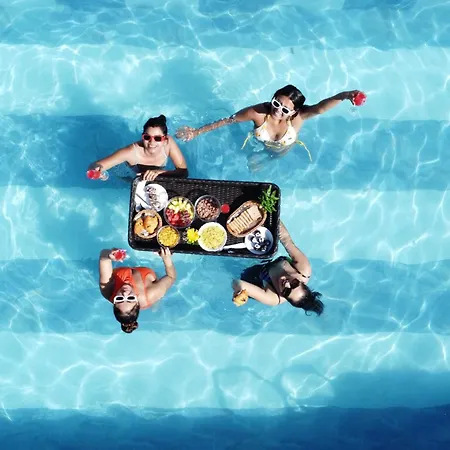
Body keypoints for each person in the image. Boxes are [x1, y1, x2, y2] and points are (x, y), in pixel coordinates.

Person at [176, 84, 362, 161]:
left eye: (285, 110)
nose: (278, 110)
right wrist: (196, 132)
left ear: (294, 112)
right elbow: (228, 120)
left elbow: (320, 108)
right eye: (276, 103)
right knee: (252, 159)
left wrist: (345, 95)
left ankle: (268, 158)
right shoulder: (257, 113)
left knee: (276, 157)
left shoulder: (300, 117)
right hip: (260, 144)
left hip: (284, 149)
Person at [232, 221, 324, 315]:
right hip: (265, 261)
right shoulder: (302, 269)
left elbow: (237, 282)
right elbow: (285, 239)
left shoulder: (273, 298)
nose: (287, 284)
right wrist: (273, 220)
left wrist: (239, 290)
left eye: (286, 291)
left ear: (285, 297)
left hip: (254, 278)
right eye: (294, 284)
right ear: (301, 281)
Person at [98, 247, 176, 333]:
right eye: (130, 298)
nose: (125, 294)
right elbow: (171, 277)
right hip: (148, 282)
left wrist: (109, 255)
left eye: (119, 299)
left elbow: (103, 256)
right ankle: (155, 306)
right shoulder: (151, 293)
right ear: (137, 302)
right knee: (157, 300)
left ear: (114, 301)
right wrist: (166, 259)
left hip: (125, 264)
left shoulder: (108, 289)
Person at [89, 115, 188, 181]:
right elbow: (95, 166)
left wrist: (159, 172)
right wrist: (96, 170)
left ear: (164, 139)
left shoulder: (168, 143)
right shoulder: (131, 152)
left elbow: (183, 172)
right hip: (133, 176)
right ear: (142, 136)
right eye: (147, 137)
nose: (152, 142)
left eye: (157, 138)